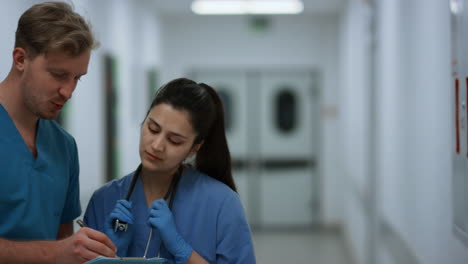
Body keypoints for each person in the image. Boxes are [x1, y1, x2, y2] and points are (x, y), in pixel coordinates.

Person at [84, 78, 256, 263]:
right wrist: (110, 252)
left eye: (174, 140)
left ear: (194, 148)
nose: (157, 145)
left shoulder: (222, 204)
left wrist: (182, 249)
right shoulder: (104, 200)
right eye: (153, 129)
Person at [0, 2, 117, 263]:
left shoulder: (64, 146)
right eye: (58, 75)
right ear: (20, 59)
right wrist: (55, 252)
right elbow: (58, 252)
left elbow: (64, 244)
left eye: (77, 78)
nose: (68, 91)